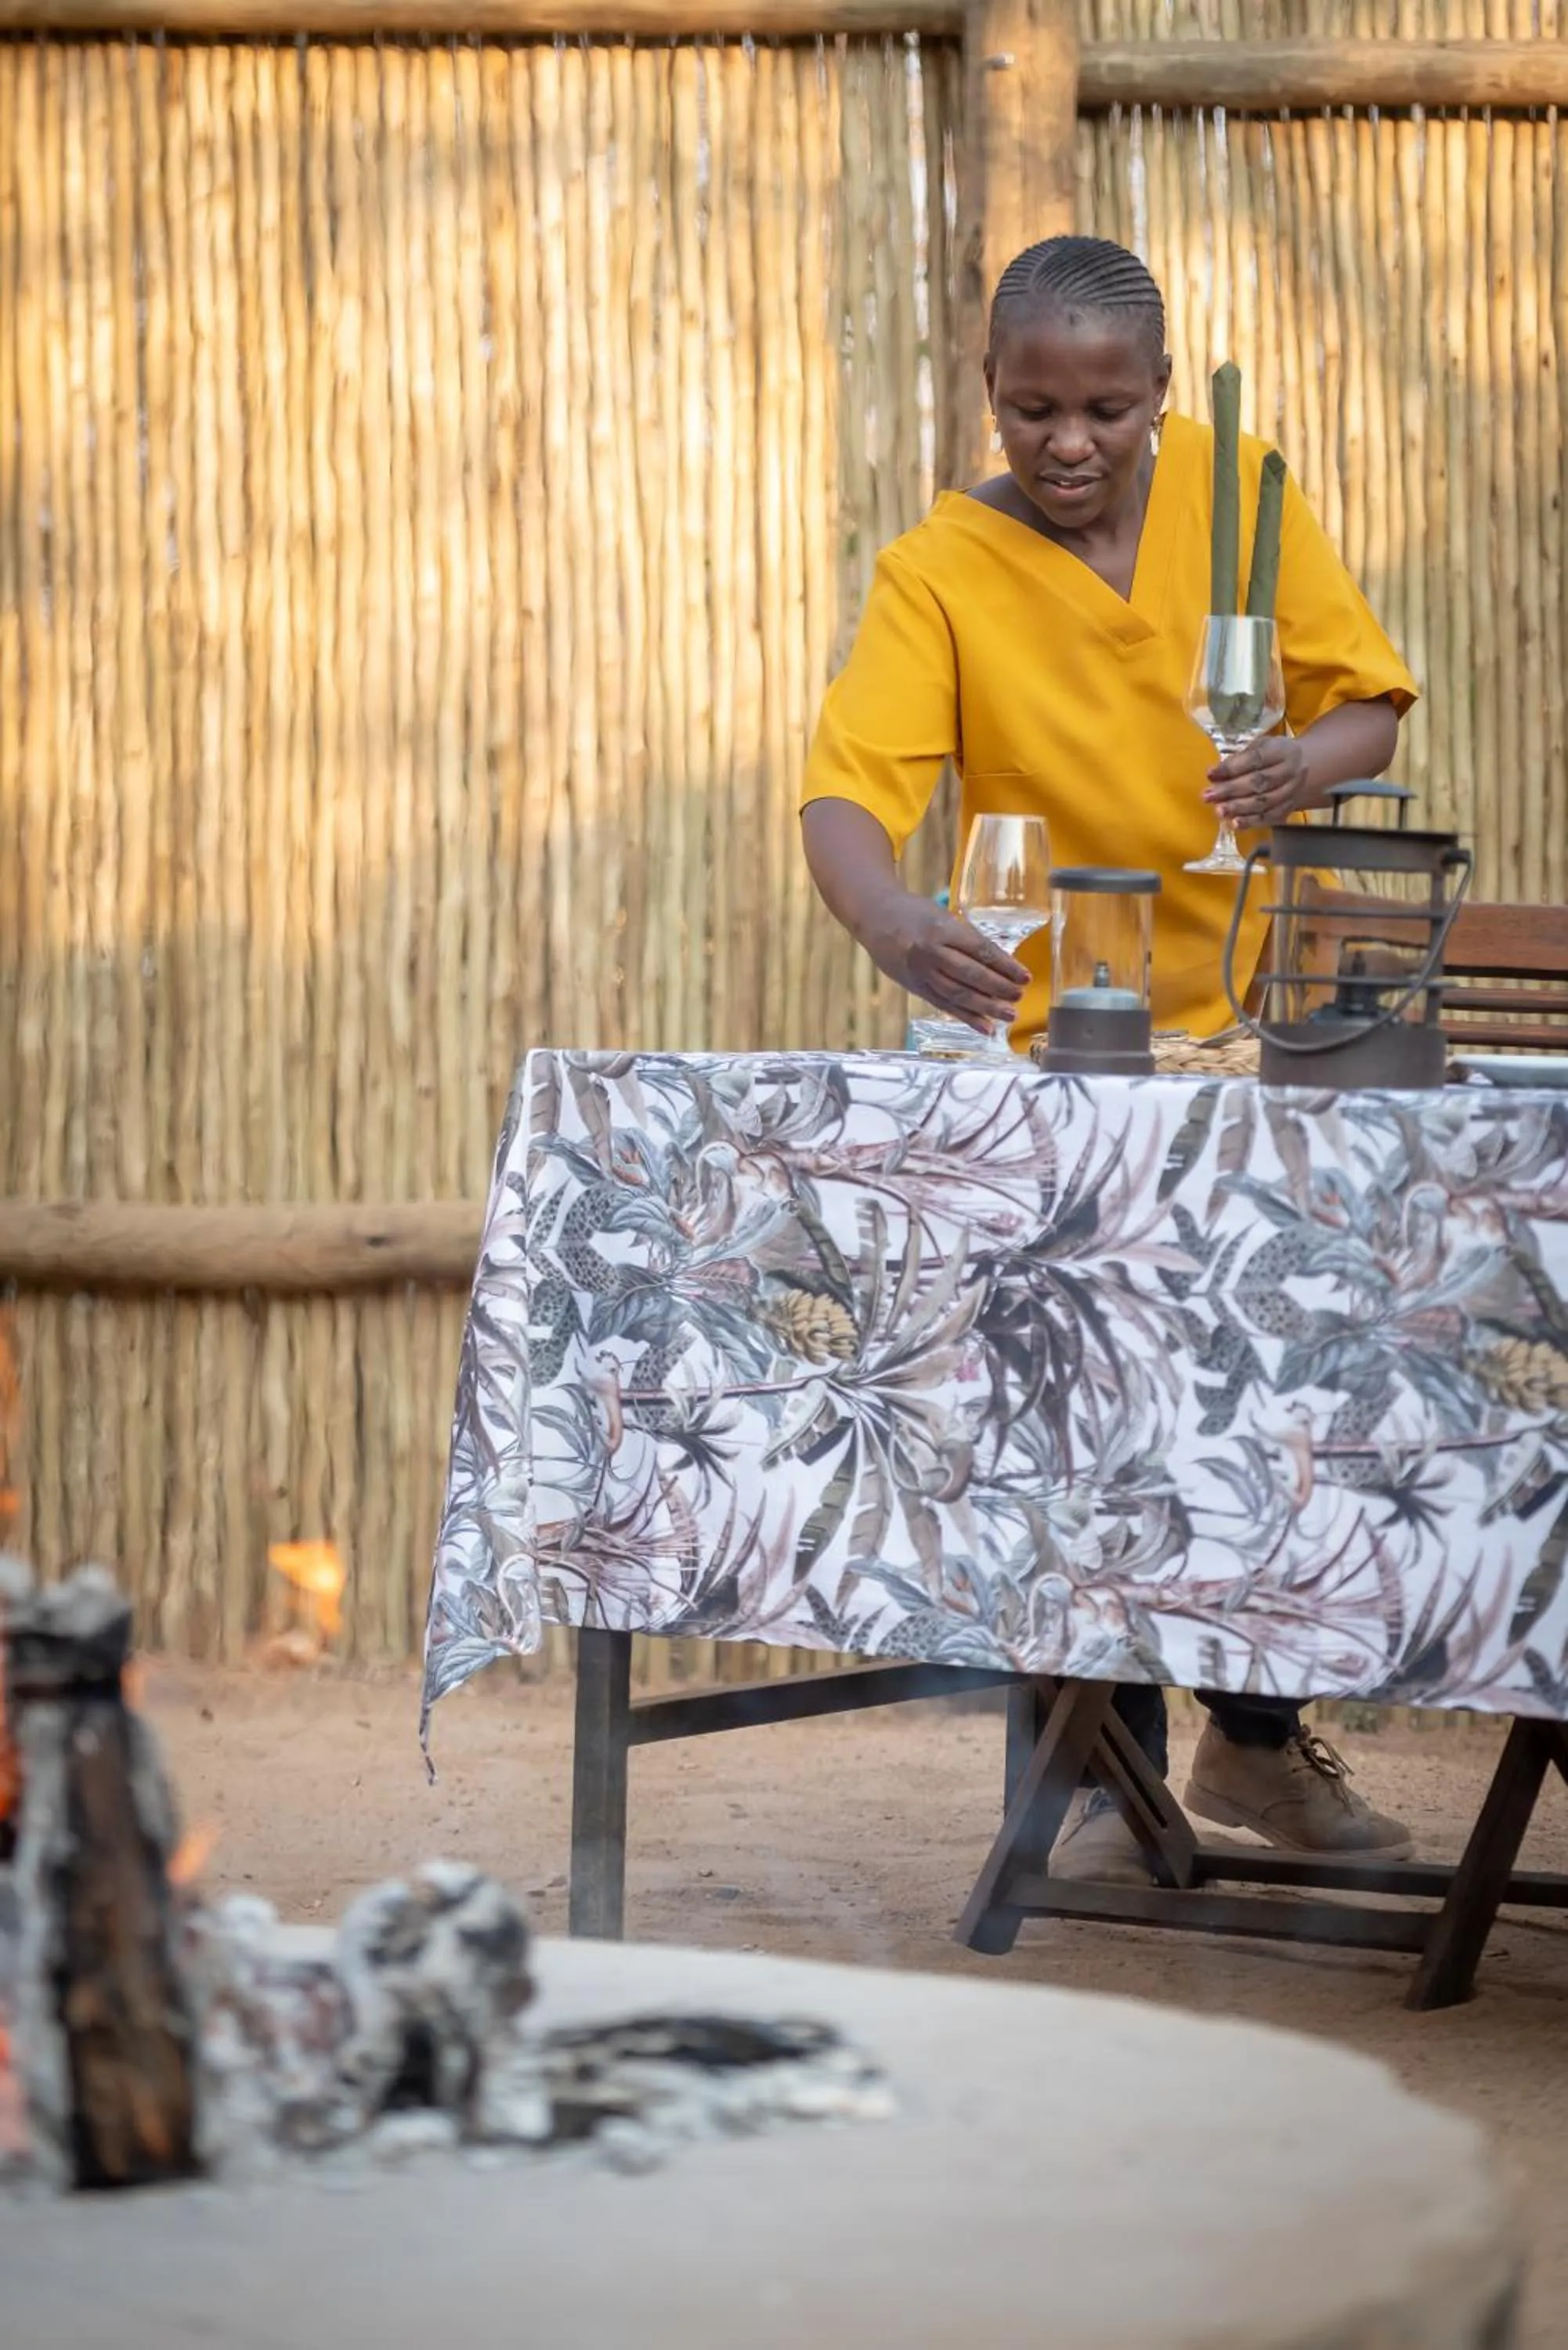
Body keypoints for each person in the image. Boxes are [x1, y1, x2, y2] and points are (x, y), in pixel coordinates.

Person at [798, 234, 1418, 1885]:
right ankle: (1089, 1774)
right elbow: (846, 796)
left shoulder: (1242, 494)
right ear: (986, 393)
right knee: (1052, 1377)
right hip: (1044, 1044)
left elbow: (1363, 708)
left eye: (1107, 409)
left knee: (1264, 1365)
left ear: (1160, 393)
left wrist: (1296, 766)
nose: (1067, 443)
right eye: (1029, 410)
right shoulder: (936, 567)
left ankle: (1256, 1735)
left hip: (1231, 1030)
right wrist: (890, 924)